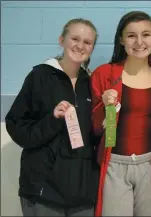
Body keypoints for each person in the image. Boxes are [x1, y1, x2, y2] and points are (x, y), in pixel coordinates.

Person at [5, 18, 100, 216]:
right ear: (62, 40)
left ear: (92, 48)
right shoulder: (39, 76)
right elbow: (17, 126)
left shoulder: (91, 83)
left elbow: (93, 135)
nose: (80, 46)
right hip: (44, 191)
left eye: (87, 42)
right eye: (75, 38)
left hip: (83, 194)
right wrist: (52, 120)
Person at [90, 11, 151, 216]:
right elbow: (94, 128)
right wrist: (103, 106)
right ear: (121, 39)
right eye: (131, 35)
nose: (139, 42)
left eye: (146, 34)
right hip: (115, 167)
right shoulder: (104, 74)